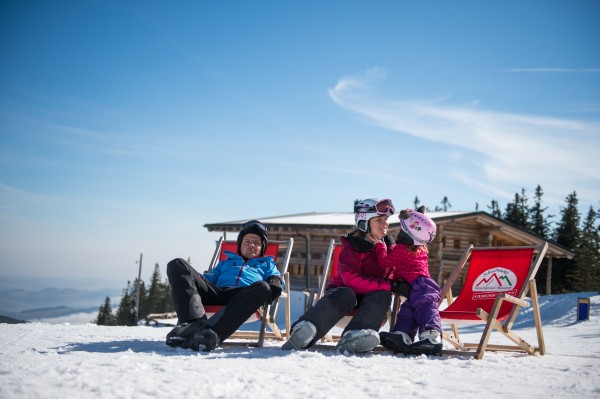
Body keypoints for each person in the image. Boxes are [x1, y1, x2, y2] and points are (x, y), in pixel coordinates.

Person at [282, 198, 412, 355]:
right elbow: (351, 280)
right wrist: (389, 285)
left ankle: (355, 336)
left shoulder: (389, 248)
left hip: (370, 309)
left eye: (386, 219)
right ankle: (306, 329)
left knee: (382, 294)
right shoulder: (353, 246)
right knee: (347, 293)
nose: (385, 224)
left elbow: (400, 272)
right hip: (341, 302)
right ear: (364, 222)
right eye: (379, 219)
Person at [165, 220, 284, 351]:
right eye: (247, 242)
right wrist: (195, 278)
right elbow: (208, 279)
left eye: (256, 243)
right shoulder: (225, 262)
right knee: (177, 264)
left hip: (243, 297)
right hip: (218, 293)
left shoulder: (267, 264)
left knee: (263, 287)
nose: (251, 245)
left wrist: (275, 283)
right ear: (240, 245)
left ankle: (211, 333)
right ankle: (191, 325)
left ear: (262, 248)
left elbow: (276, 280)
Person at [376, 207, 443, 356]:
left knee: (426, 308)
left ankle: (432, 337)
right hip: (417, 286)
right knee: (407, 312)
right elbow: (400, 256)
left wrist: (381, 245)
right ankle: (402, 335)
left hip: (421, 286)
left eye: (402, 229)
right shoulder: (419, 248)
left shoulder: (401, 249)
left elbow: (384, 262)